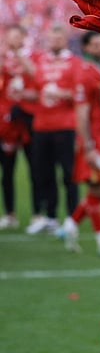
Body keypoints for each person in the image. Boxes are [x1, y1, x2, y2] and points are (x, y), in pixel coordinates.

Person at [58, 31, 100, 257]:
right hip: (96, 137)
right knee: (97, 187)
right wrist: (87, 145)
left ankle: (71, 224)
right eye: (95, 44)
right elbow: (82, 112)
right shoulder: (86, 74)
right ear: (86, 48)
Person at [27, 25, 81, 236]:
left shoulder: (74, 63)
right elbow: (37, 92)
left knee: (68, 173)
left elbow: (79, 93)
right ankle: (50, 217)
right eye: (51, 38)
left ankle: (72, 217)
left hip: (65, 125)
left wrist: (62, 93)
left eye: (58, 39)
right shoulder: (40, 62)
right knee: (43, 173)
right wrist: (22, 93)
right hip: (41, 125)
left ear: (65, 40)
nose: (54, 42)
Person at [1, 24, 40, 232]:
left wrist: (17, 53)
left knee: (35, 168)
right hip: (7, 122)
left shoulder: (33, 56)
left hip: (28, 119)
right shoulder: (4, 59)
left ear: (24, 37)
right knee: (7, 171)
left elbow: (35, 75)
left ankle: (37, 214)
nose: (12, 40)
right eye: (9, 37)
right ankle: (10, 213)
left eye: (16, 36)